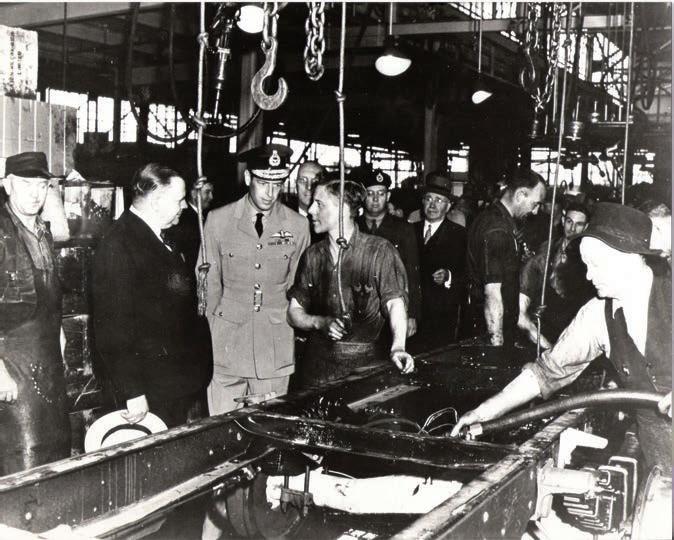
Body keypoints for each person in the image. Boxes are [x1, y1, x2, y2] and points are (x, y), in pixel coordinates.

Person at [453, 203, 671, 472]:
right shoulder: (597, 315)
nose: (589, 275)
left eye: (595, 265)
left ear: (627, 258)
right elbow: (545, 373)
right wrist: (483, 412)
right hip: (657, 449)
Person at [92, 163, 212, 428]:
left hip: (167, 383)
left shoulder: (157, 236)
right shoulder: (119, 244)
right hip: (146, 391)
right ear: (157, 201)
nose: (184, 206)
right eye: (179, 200)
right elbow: (113, 328)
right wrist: (132, 392)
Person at [201, 144, 310, 413]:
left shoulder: (298, 226)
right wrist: (209, 337)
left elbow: (299, 289)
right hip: (225, 346)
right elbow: (208, 286)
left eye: (277, 184)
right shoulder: (218, 220)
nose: (270, 193)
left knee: (268, 427)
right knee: (222, 427)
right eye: (263, 183)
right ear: (248, 178)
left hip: (274, 347)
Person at [287, 178, 414, 387]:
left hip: (365, 370)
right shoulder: (312, 256)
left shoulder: (379, 251)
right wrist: (320, 322)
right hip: (316, 372)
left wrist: (398, 347)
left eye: (319, 204)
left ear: (343, 209)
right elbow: (293, 312)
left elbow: (394, 302)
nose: (310, 210)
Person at [0, 152, 70, 475]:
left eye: (42, 186)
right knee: (21, 463)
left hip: (48, 363)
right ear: (7, 185)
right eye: (26, 184)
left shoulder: (44, 231)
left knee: (56, 456)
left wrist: (59, 331)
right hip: (12, 366)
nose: (35, 194)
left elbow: (48, 295)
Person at [466, 170, 546, 347]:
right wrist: (497, 349)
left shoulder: (499, 220)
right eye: (535, 204)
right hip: (490, 335)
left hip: (492, 329)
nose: (535, 212)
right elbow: (492, 295)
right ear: (520, 195)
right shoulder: (497, 230)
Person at [518, 200, 594, 349]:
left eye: (579, 224)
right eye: (569, 222)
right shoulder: (548, 248)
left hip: (573, 325)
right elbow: (531, 275)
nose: (572, 228)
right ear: (563, 221)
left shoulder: (587, 256)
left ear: (586, 227)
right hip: (546, 322)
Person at [356, 168, 422, 337]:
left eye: (381, 193)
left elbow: (412, 272)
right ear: (363, 196)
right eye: (370, 193)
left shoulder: (403, 229)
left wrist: (411, 314)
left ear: (388, 196)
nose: (375, 199)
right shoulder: (353, 227)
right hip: (357, 309)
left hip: (392, 310)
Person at [415, 172, 467, 346]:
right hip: (412, 314)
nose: (432, 205)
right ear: (422, 201)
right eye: (428, 198)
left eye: (439, 200)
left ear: (448, 206)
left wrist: (448, 276)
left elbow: (467, 274)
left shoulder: (459, 235)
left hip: (441, 316)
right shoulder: (409, 231)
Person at [163, 177, 214, 272]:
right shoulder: (181, 220)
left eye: (211, 192)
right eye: (207, 192)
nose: (211, 197)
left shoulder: (205, 216)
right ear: (194, 194)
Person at [283, 160, 325, 244]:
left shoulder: (327, 221)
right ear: (296, 184)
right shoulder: (282, 216)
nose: (309, 187)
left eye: (315, 181)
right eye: (303, 181)